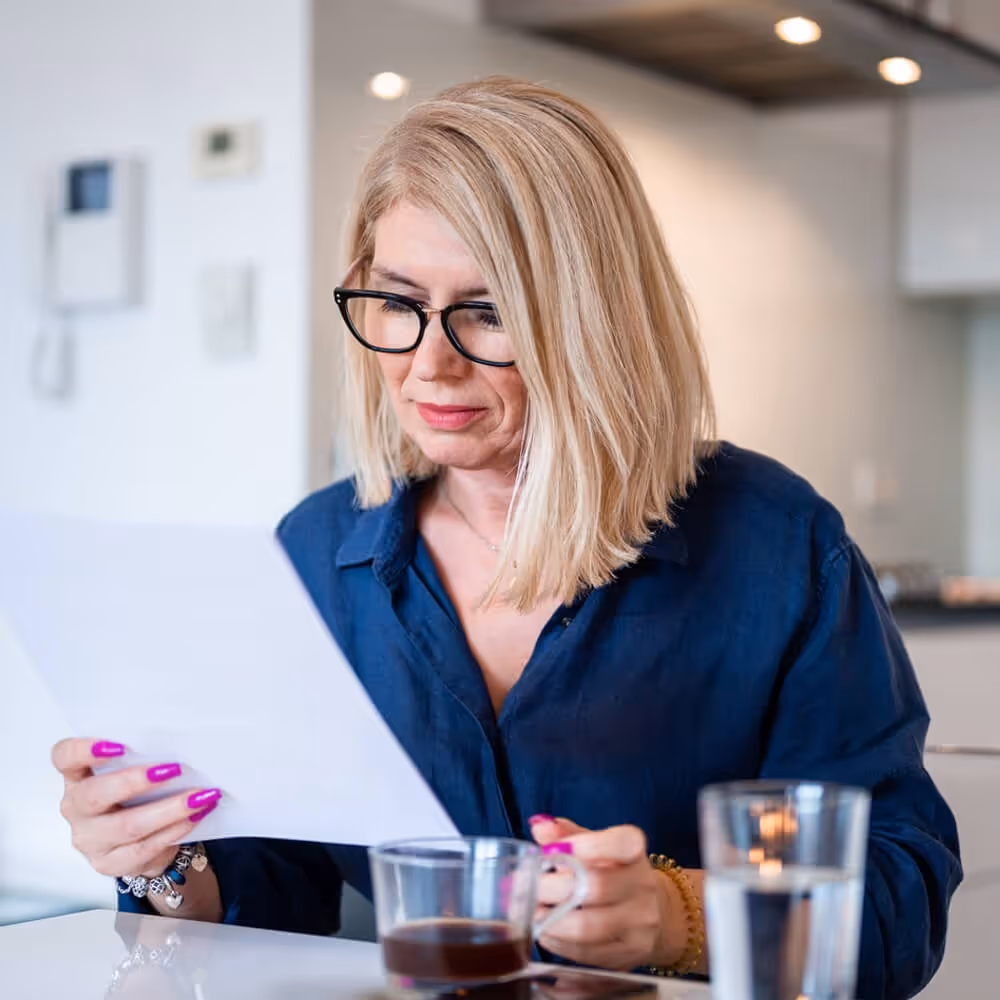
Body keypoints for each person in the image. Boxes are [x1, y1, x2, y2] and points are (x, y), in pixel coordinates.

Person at [52, 77, 961, 998]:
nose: (428, 363)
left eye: (489, 312)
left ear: (594, 321)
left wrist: (669, 912)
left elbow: (901, 902)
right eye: (398, 302)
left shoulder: (775, 545)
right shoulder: (317, 555)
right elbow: (276, 892)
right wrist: (164, 857)